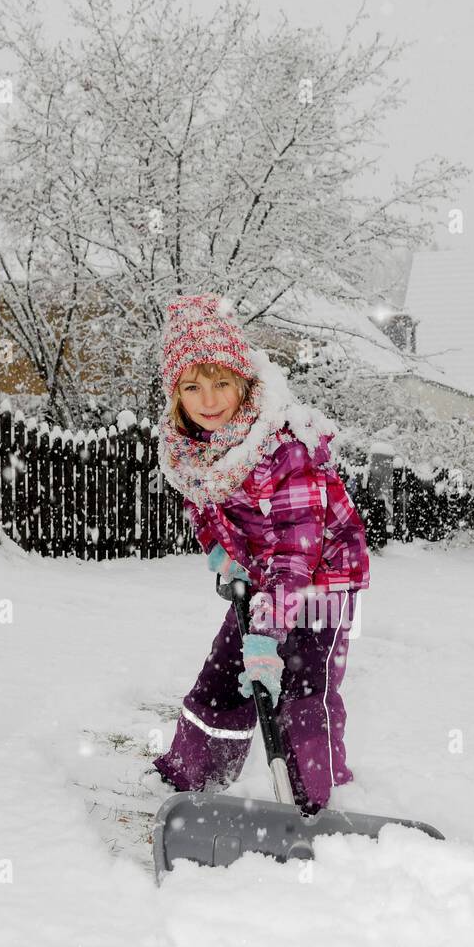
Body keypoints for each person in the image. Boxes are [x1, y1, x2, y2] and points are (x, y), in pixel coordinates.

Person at [150, 293, 370, 815]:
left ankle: (312, 801)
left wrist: (267, 638)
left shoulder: (283, 447)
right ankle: (194, 779)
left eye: (221, 381)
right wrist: (219, 553)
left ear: (245, 382)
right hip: (258, 576)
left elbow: (297, 555)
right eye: (192, 386)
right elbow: (204, 508)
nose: (208, 399)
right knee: (226, 674)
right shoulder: (192, 449)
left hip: (321, 579)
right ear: (175, 394)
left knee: (300, 689)